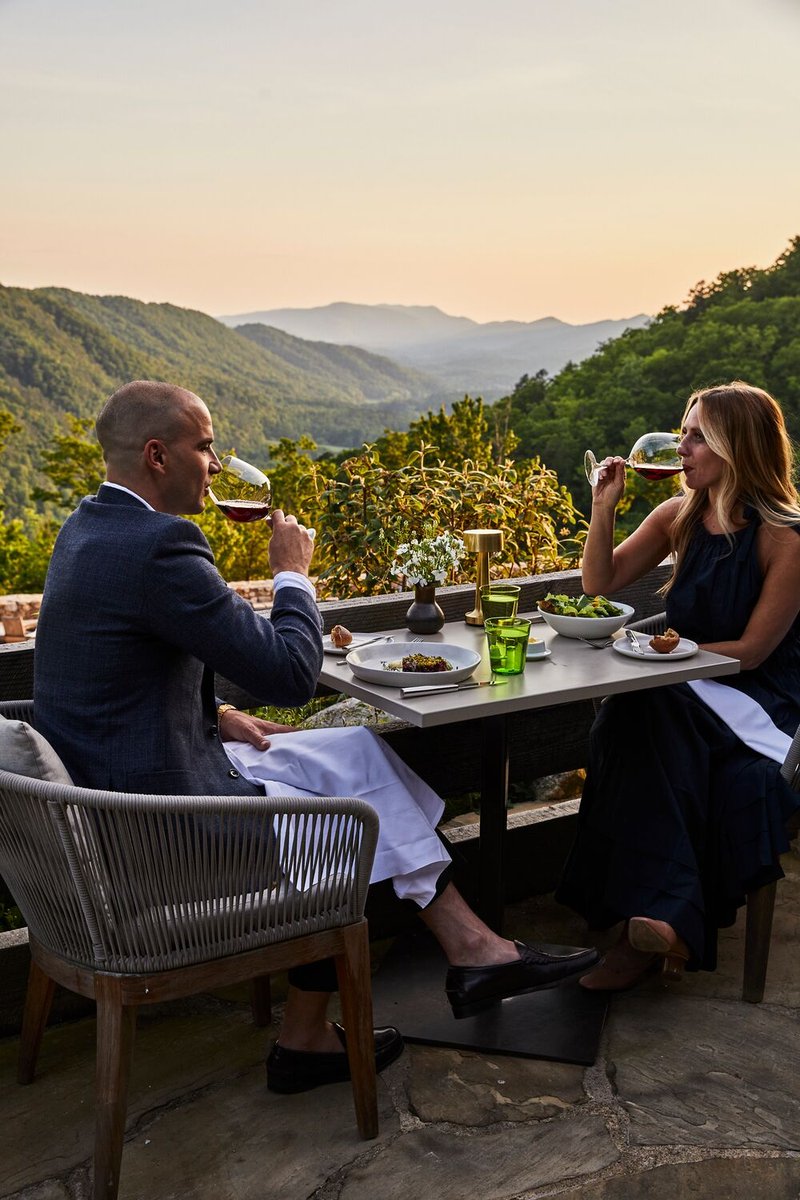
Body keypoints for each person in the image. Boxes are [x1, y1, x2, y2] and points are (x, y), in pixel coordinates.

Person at [33, 379, 598, 1093]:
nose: (214, 464)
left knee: (356, 752)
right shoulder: (159, 545)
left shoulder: (87, 527)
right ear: (156, 454)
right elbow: (291, 676)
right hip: (160, 825)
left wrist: (210, 715)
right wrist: (293, 577)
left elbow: (95, 673)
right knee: (351, 832)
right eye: (205, 447)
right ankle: (314, 1034)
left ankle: (473, 948)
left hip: (126, 780)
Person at [555, 381, 800, 990]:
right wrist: (604, 505)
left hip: (758, 700)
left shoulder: (784, 537)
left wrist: (663, 656)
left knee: (637, 712)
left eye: (697, 437)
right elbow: (599, 583)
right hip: (684, 687)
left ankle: (650, 926)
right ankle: (662, 920)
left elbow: (752, 653)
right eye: (683, 432)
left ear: (736, 447)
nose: (681, 449)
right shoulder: (678, 516)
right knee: (628, 715)